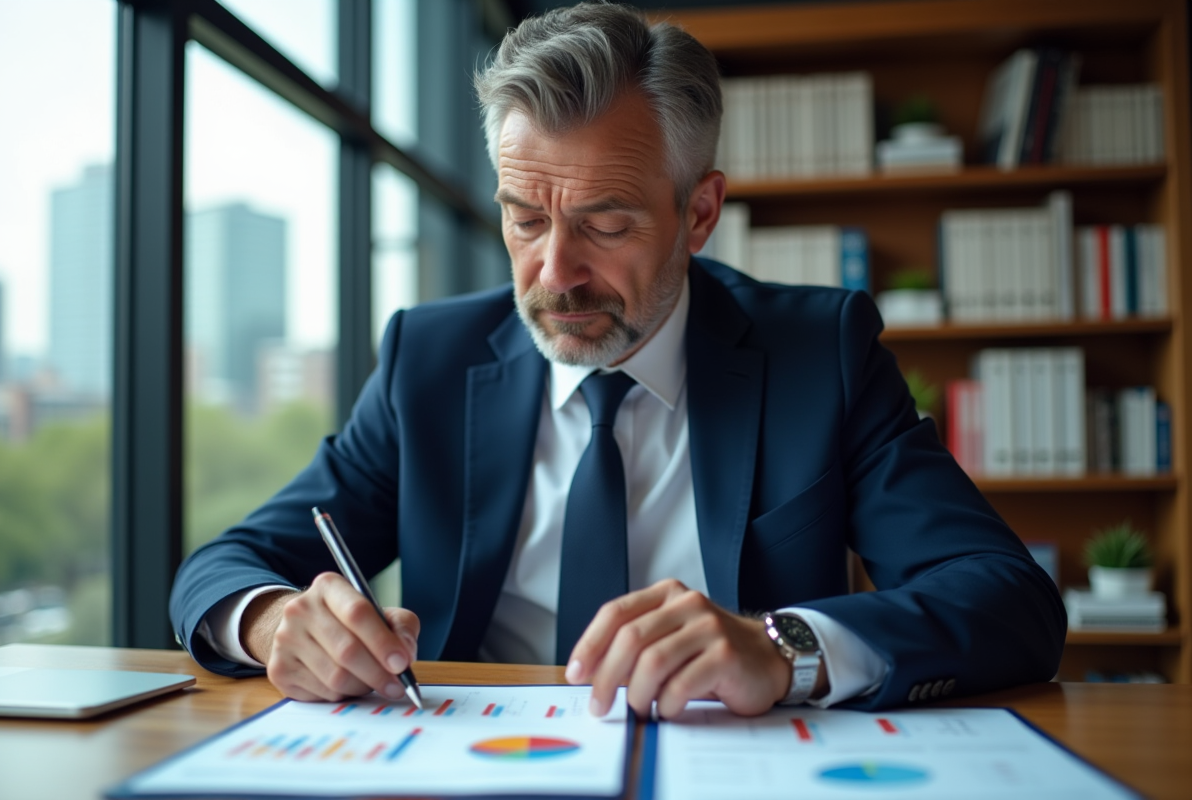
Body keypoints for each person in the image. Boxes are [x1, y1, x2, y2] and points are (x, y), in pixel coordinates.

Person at [170, 2, 1065, 718]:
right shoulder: (429, 361)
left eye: (605, 223)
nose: (555, 272)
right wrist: (272, 620)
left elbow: (1007, 600)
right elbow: (229, 563)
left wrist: (784, 648)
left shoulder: (817, 356)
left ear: (700, 214)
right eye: (525, 218)